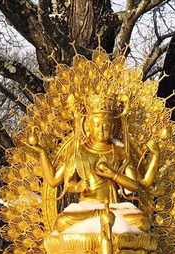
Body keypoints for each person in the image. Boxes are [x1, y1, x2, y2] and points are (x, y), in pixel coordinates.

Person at [27, 93, 160, 232]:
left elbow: (136, 185)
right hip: (87, 208)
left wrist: (114, 175)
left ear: (112, 128)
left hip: (114, 209)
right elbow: (54, 181)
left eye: (106, 126)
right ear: (88, 127)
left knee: (143, 222)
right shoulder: (77, 152)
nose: (101, 130)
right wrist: (76, 186)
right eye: (97, 125)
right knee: (61, 222)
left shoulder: (120, 152)